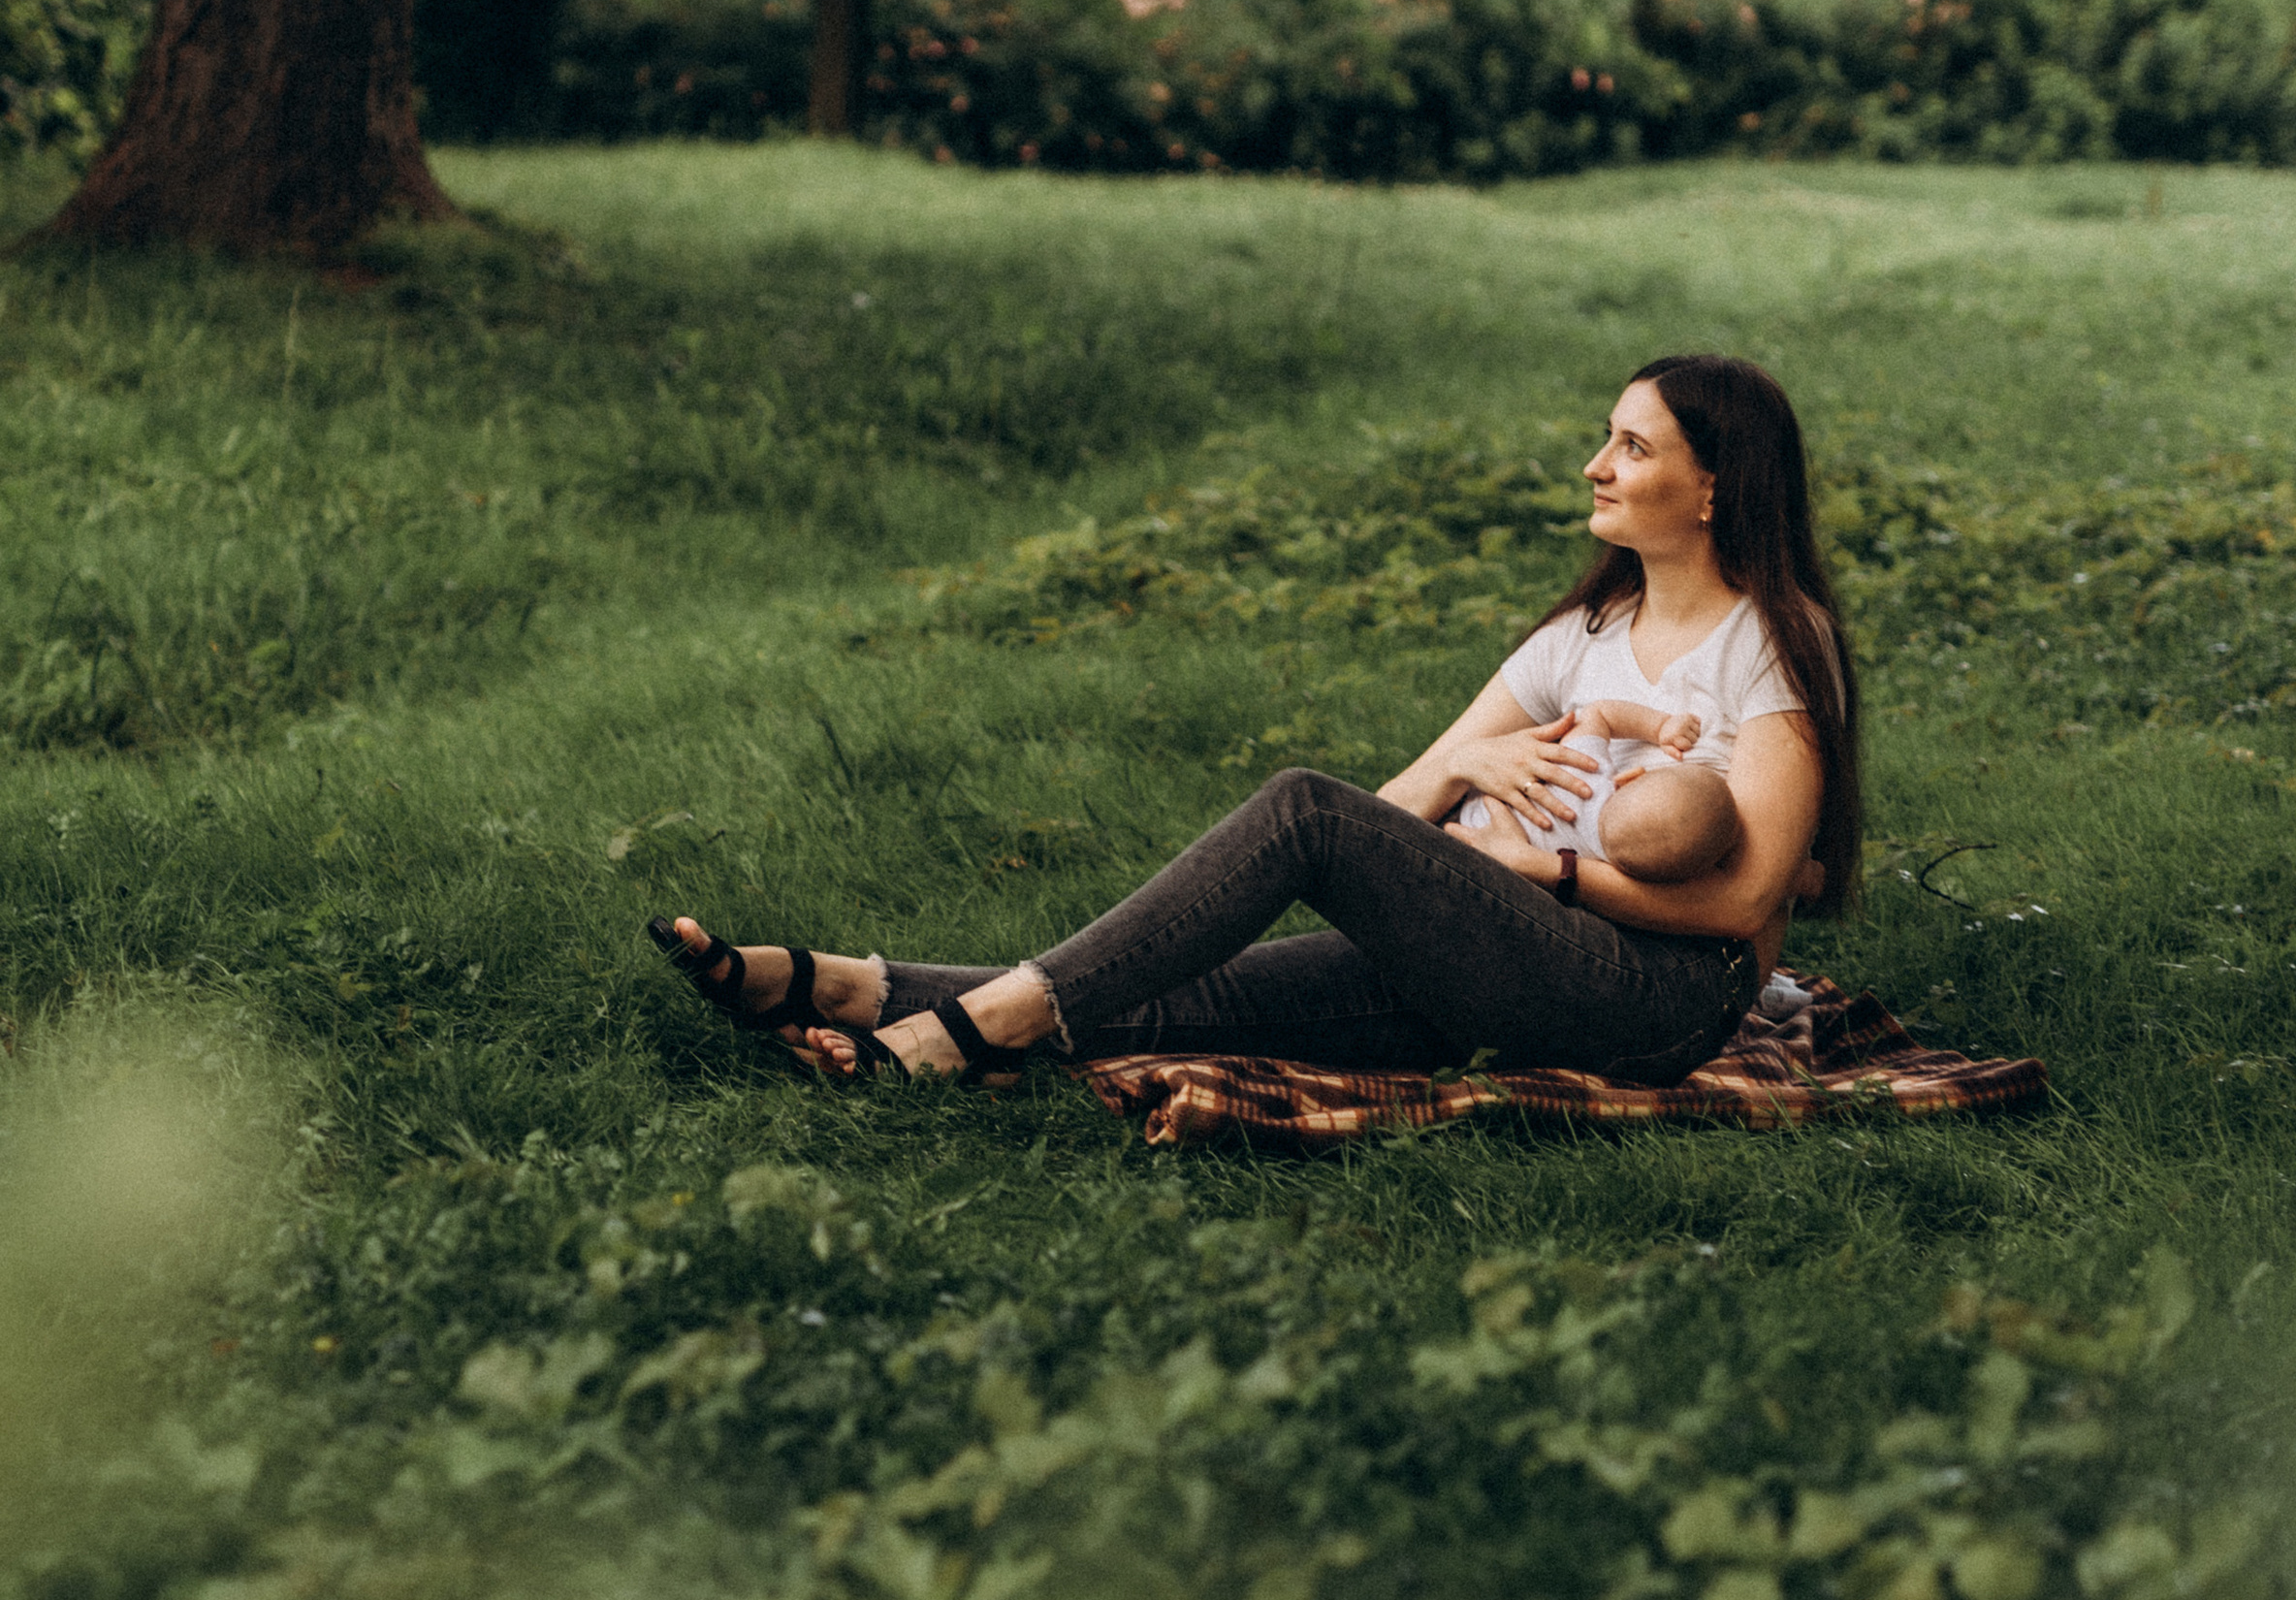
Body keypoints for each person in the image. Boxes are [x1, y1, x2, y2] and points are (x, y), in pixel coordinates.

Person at [653, 353, 1863, 1092]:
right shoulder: (1577, 640)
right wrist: (1468, 772)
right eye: (1604, 435)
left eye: (1632, 445)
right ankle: (853, 989)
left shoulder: (1769, 641)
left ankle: (989, 1020)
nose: (1595, 465)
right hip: (1517, 961)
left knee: (1295, 802)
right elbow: (1387, 825)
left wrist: (1541, 869)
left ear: (1715, 487)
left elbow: (1744, 909)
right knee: (1211, 998)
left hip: (1656, 1004)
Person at [1449, 691, 1739, 885]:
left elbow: (1599, 714)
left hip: (1463, 805)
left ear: (1629, 779)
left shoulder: (1585, 773)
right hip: (1475, 852)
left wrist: (1660, 725)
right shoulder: (1596, 866)